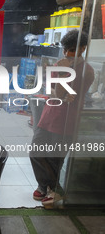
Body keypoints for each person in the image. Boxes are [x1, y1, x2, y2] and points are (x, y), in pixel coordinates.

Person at [30, 30, 94, 208]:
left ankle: (47, 189)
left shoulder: (87, 71)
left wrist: (63, 73)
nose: (67, 53)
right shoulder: (60, 64)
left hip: (67, 120)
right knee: (36, 152)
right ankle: (51, 188)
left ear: (82, 48)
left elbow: (61, 92)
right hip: (49, 115)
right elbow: (52, 92)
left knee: (55, 158)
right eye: (65, 49)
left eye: (72, 50)